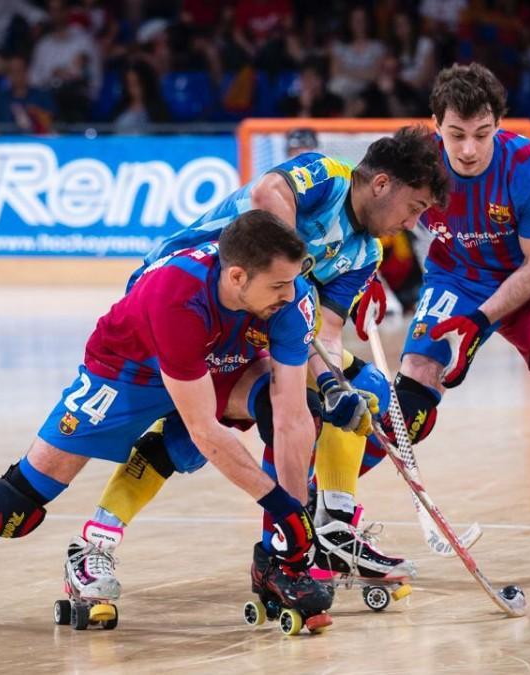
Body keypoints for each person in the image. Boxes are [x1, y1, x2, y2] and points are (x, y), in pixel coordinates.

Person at [0, 211, 334, 627]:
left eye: (294, 283)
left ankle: (276, 562)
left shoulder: (289, 299)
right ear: (238, 276)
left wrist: (295, 519)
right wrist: (279, 502)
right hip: (127, 368)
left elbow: (292, 420)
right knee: (15, 502)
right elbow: (206, 432)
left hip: (219, 360)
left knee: (286, 406)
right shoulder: (176, 296)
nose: (289, 297)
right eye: (279, 285)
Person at [61, 126, 450, 609]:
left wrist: (333, 385)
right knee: (187, 434)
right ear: (382, 183)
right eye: (415, 207)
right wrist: (296, 284)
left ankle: (326, 527)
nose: (412, 224)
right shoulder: (326, 176)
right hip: (193, 301)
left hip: (263, 324)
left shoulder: (365, 253)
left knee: (349, 394)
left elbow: (323, 335)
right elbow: (268, 194)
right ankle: (99, 539)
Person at [356, 63, 530, 571]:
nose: (469, 149)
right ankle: (328, 507)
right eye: (456, 135)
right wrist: (364, 275)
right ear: (436, 125)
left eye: (482, 134)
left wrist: (479, 324)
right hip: (454, 280)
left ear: (499, 124)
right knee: (409, 400)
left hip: (528, 285)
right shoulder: (417, 158)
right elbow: (367, 210)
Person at [0, 54, 55, 132]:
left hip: (36, 142)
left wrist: (36, 112)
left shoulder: (42, 95)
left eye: (19, 71)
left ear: (26, 72)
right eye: (11, 72)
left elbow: (52, 125)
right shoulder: (1, 99)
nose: (15, 75)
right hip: (8, 142)